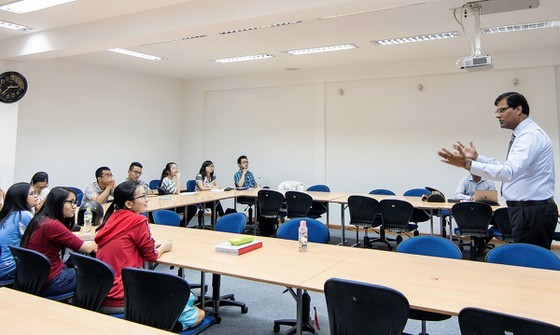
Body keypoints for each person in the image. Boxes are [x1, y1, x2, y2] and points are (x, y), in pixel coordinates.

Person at [438, 92, 557, 249]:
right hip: (526, 210)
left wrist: (468, 164)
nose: (497, 115)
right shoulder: (524, 134)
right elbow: (508, 166)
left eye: (502, 110)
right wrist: (477, 157)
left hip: (531, 211)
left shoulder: (530, 136)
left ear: (518, 109)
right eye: (497, 111)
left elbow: (508, 172)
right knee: (527, 261)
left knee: (533, 264)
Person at [95, 181, 204, 329]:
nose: (147, 199)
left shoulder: (112, 218)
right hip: (123, 296)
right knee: (197, 313)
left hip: (101, 294)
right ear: (128, 203)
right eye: (143, 196)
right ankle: (172, 323)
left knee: (187, 297)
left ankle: (169, 314)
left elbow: (130, 245)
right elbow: (151, 256)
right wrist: (164, 247)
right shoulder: (138, 220)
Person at [20, 187, 97, 296]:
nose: (75, 206)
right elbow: (88, 248)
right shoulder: (53, 225)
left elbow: (72, 239)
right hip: (52, 280)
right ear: (58, 202)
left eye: (76, 202)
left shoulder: (41, 219)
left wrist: (94, 237)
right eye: (71, 202)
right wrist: (104, 236)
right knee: (98, 275)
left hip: (35, 279)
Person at [0, 182, 36, 281]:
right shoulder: (24, 215)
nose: (36, 196)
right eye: (32, 194)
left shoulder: (7, 214)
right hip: (7, 268)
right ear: (21, 197)